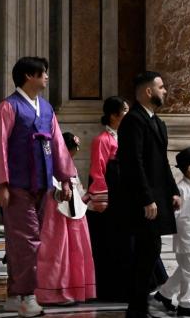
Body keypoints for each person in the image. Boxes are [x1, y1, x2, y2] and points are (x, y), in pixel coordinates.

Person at [0, 56, 77, 318]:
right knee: (27, 243)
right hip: (17, 186)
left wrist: (65, 179)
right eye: (43, 73)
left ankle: (15, 295)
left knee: (25, 242)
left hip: (43, 186)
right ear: (29, 76)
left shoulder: (47, 109)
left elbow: (59, 146)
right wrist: (2, 184)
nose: (47, 77)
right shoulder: (8, 107)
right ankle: (27, 296)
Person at [116, 71, 181, 318]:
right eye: (161, 87)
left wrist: (173, 191)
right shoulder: (133, 120)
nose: (164, 91)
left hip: (156, 196)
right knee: (147, 250)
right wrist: (146, 198)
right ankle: (137, 306)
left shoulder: (156, 121)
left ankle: (139, 303)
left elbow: (162, 162)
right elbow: (134, 163)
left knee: (150, 250)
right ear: (148, 91)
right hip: (142, 200)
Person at [35, 132, 96, 305]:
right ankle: (52, 291)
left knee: (74, 250)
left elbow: (77, 187)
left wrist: (85, 198)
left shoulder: (70, 165)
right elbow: (51, 185)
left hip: (73, 212)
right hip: (56, 212)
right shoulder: (52, 164)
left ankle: (72, 288)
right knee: (57, 250)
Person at [153, 147, 190, 317]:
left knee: (185, 270)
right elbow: (175, 215)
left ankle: (164, 294)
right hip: (187, 239)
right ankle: (185, 303)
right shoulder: (181, 190)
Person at [86, 96, 130, 301]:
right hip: (109, 203)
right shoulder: (102, 140)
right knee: (108, 246)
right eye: (125, 111)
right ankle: (109, 290)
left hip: (124, 201)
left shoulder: (126, 137)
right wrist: (101, 199)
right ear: (113, 115)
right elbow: (97, 171)